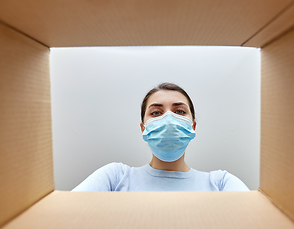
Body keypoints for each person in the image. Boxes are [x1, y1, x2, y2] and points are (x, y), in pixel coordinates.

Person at [72, 82, 249, 191]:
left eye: (179, 111)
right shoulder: (115, 178)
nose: (169, 119)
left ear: (193, 126)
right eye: (156, 113)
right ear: (143, 128)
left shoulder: (220, 183)